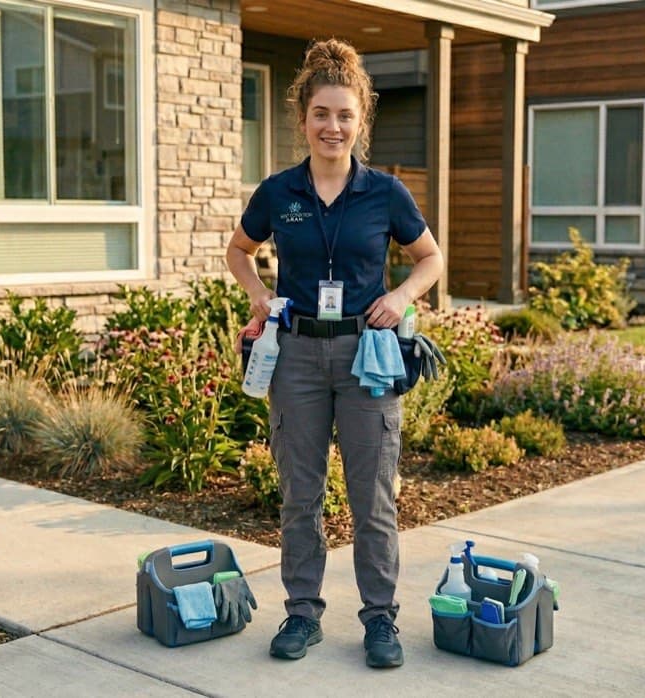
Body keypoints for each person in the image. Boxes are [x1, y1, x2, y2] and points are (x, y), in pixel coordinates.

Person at [224, 38, 444, 669]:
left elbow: (430, 259)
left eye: (345, 115)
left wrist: (401, 296)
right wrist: (260, 295)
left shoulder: (385, 193)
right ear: (303, 119)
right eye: (322, 113)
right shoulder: (278, 192)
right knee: (301, 494)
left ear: (361, 121)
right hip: (294, 358)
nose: (333, 126)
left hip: (366, 357)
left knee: (372, 496)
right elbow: (238, 251)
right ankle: (302, 615)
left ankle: (380, 621)